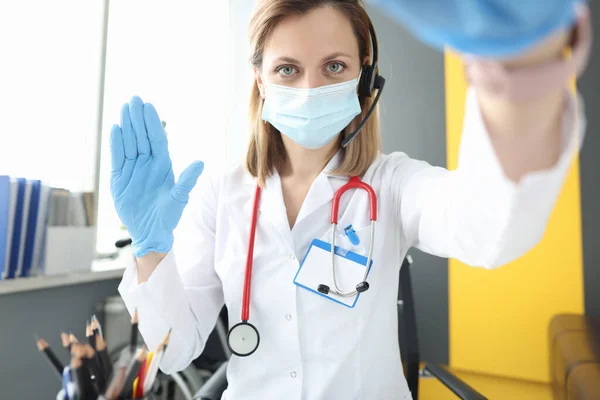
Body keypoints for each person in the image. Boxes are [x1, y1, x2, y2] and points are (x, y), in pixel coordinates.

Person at [111, 0, 589, 398]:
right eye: (287, 69)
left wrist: (523, 70)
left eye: (333, 66)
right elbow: (174, 349)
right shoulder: (221, 194)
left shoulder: (393, 186)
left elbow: (488, 230)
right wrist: (150, 246)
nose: (310, 87)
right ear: (260, 80)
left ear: (364, 74)